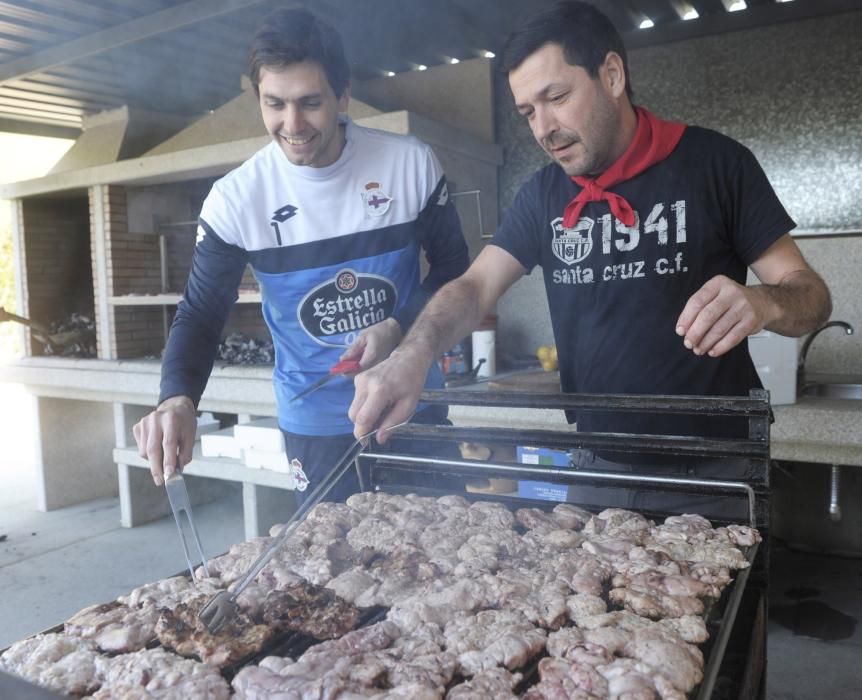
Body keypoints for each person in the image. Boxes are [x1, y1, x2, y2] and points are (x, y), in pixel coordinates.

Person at [350, 1, 831, 473]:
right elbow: (475, 288)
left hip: (716, 466)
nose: (544, 129)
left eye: (557, 99)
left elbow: (810, 297)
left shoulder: (717, 165)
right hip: (597, 463)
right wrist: (415, 352)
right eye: (527, 112)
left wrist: (762, 303)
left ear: (613, 76)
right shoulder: (542, 195)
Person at [133, 8, 469, 502]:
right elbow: (201, 313)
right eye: (275, 104)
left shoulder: (409, 164)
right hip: (314, 427)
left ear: (343, 95)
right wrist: (178, 398)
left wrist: (398, 326)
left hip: (411, 402)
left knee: (452, 556)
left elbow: (454, 271)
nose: (292, 125)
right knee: (330, 572)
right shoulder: (237, 198)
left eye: (310, 103)